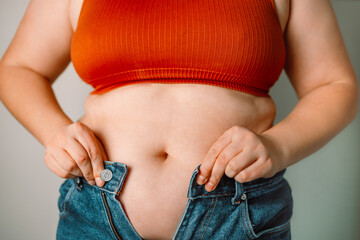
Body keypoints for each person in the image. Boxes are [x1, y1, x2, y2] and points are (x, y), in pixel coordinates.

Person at [0, 0, 358, 239]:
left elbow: (335, 84)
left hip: (238, 213)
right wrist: (53, 134)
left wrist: (279, 146)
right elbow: (18, 69)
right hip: (96, 210)